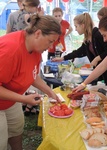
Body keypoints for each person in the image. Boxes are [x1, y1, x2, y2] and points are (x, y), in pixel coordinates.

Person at [0, 14, 61, 150]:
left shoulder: (35, 48)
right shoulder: (11, 49)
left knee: (16, 131)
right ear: (38, 33)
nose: (51, 46)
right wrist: (23, 98)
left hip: (10, 101)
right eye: (50, 41)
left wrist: (49, 91)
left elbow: (32, 74)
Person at [52, 12, 107, 95]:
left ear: (83, 25)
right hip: (104, 73)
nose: (75, 29)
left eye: (76, 26)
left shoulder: (98, 35)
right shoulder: (88, 39)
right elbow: (79, 52)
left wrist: (97, 58)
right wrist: (63, 58)